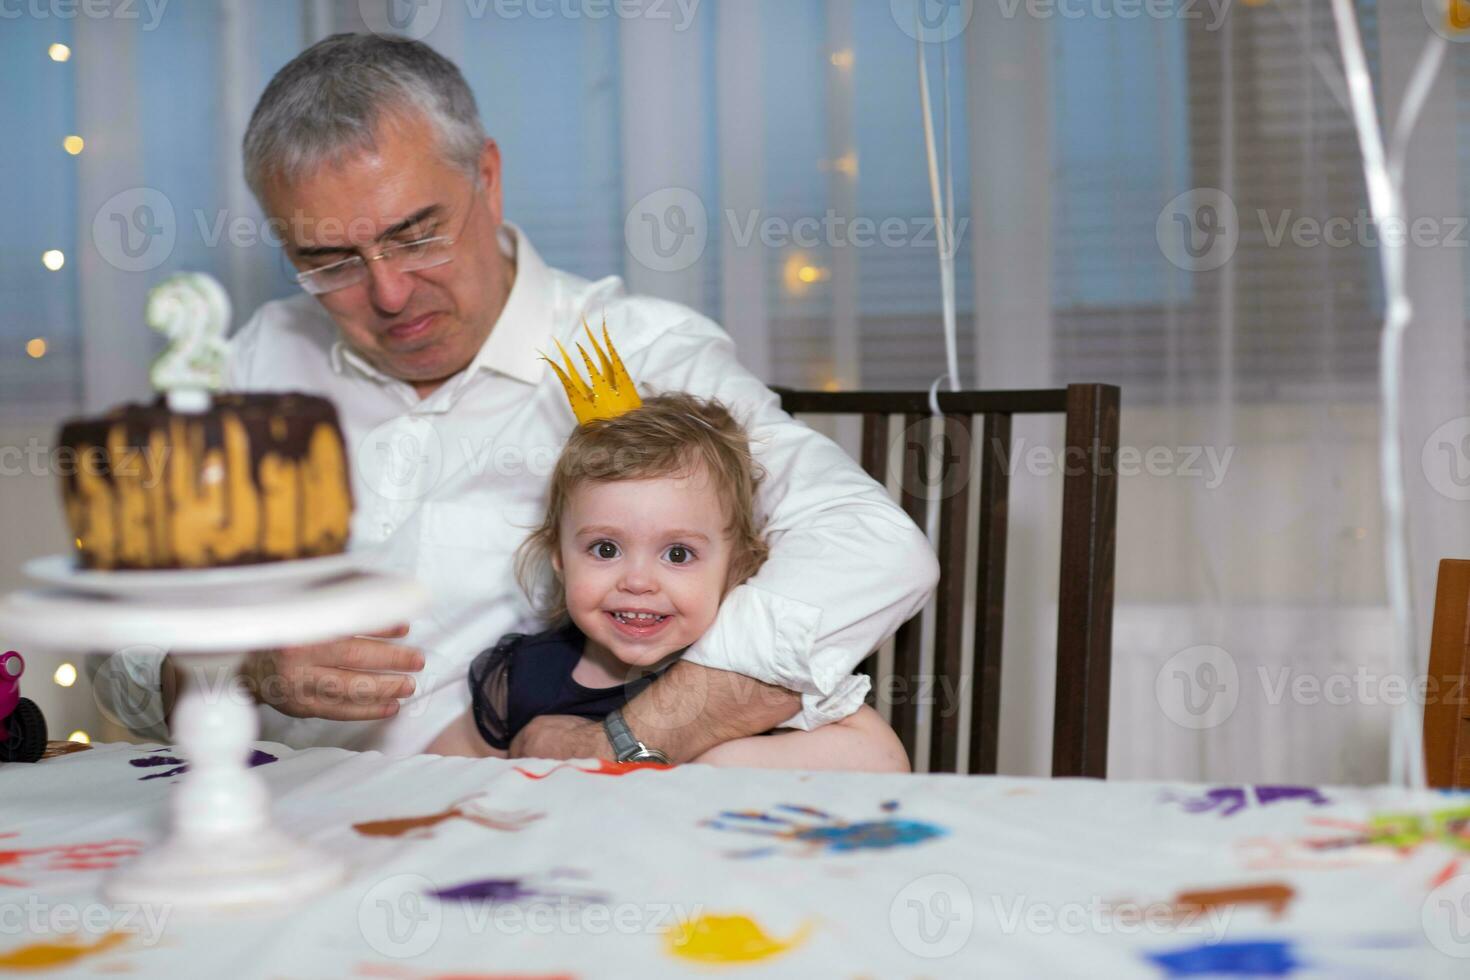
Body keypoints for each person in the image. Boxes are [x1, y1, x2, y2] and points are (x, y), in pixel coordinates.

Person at [95, 32, 938, 761]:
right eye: (329, 259)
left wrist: (632, 738)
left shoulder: (638, 354)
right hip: (272, 823)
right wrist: (236, 665)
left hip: (509, 830)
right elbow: (117, 639)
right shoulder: (253, 364)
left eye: (414, 233)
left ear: (488, 179)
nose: (388, 293)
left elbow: (871, 546)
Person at [427, 388, 909, 772]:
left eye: (678, 554)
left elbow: (883, 761)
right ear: (558, 556)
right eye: (605, 549)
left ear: (738, 564)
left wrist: (702, 761)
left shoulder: (741, 672)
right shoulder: (522, 677)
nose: (637, 581)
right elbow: (433, 780)